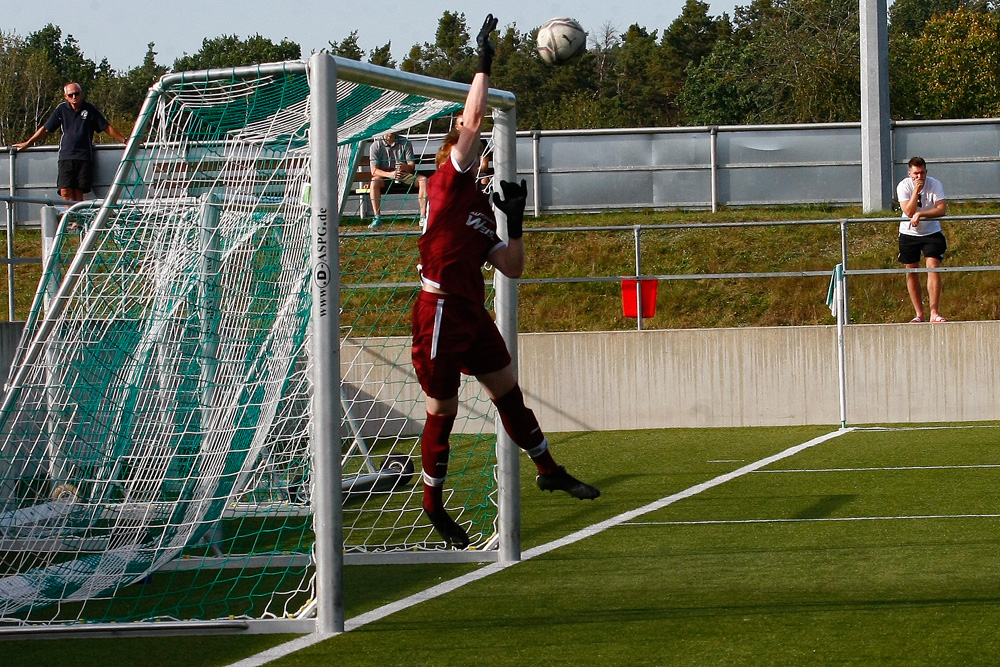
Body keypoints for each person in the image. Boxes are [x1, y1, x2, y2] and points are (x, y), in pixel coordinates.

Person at [412, 13, 600, 549]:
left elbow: (513, 266)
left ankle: (548, 468)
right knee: (442, 411)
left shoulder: (474, 205)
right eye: (475, 151)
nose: (484, 155)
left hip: (470, 313)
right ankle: (433, 504)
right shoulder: (448, 182)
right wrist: (483, 63)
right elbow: (470, 123)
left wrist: (514, 222)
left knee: (508, 392)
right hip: (440, 311)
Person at [13, 82, 127, 203]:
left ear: (81, 94)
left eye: (76, 94)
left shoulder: (90, 109)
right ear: (65, 97)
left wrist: (125, 140)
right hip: (66, 156)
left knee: (79, 191)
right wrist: (28, 143)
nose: (74, 97)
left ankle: (76, 220)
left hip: (84, 156)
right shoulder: (61, 109)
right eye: (70, 95)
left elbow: (106, 127)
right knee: (65, 190)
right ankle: (71, 215)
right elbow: (46, 128)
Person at [896, 156, 948, 323]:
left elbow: (941, 209)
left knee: (933, 267)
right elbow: (909, 211)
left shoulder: (935, 184)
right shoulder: (903, 186)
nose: (920, 177)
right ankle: (919, 314)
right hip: (909, 233)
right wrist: (916, 191)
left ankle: (934, 312)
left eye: (922, 173)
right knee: (911, 270)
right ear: (910, 173)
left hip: (932, 232)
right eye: (916, 174)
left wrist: (922, 214)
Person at [367, 131, 428, 228]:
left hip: (403, 175)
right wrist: (390, 175)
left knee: (423, 180)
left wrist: (405, 167)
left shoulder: (405, 142)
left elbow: (411, 166)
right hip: (385, 176)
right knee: (374, 182)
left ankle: (423, 217)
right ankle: (377, 217)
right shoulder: (376, 145)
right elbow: (373, 171)